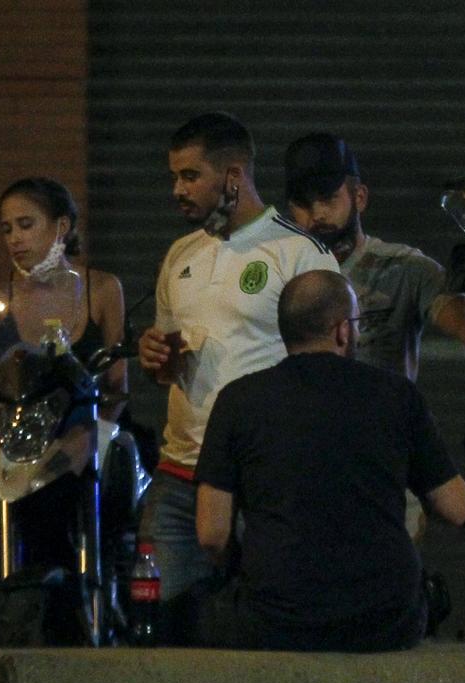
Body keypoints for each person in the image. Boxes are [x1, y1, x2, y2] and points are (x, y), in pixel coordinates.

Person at [187, 269, 465, 650]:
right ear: (342, 331)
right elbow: (456, 507)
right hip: (386, 618)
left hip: (274, 617)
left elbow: (211, 534)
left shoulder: (238, 400)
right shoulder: (397, 396)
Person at [136, 113, 339, 621]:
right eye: (173, 177)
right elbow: (167, 368)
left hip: (265, 482)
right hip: (179, 476)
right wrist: (155, 359)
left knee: (271, 631)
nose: (177, 190)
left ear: (233, 176)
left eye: (190, 176)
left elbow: (331, 374)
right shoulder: (179, 255)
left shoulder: (299, 255)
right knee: (165, 630)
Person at [283, 132, 465, 382]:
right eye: (303, 203)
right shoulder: (281, 272)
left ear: (359, 197)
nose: (317, 213)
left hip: (385, 419)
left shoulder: (405, 267)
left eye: (328, 198)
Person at [0, 176, 128, 420]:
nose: (14, 238)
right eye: (7, 229)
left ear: (62, 226)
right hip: (15, 434)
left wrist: (99, 434)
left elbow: (117, 383)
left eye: (25, 225)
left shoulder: (102, 288)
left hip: (85, 431)